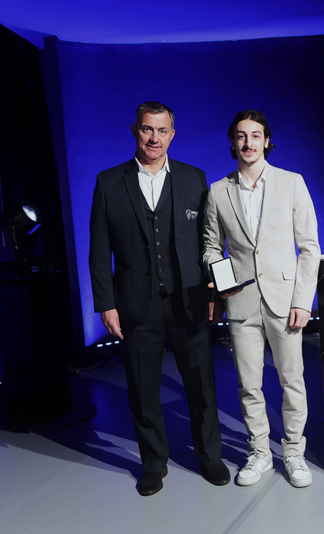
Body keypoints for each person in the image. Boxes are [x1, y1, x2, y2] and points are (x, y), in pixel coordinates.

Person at [89, 101, 229, 496]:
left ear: (172, 134)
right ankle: (153, 462)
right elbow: (99, 251)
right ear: (135, 130)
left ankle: (210, 456)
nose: (154, 138)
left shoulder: (193, 179)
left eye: (162, 131)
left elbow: (210, 242)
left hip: (189, 299)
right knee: (143, 387)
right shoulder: (107, 182)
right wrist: (106, 302)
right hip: (136, 303)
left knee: (201, 383)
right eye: (147, 129)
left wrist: (214, 289)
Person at [203, 109, 320, 488]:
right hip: (240, 303)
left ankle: (294, 453)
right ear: (232, 142)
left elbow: (310, 247)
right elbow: (209, 247)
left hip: (285, 300)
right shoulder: (219, 191)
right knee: (248, 384)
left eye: (256, 135)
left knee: (292, 381)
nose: (248, 142)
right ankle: (259, 452)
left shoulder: (291, 183)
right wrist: (222, 281)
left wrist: (303, 300)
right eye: (241, 135)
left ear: (267, 140)